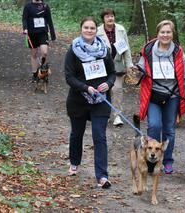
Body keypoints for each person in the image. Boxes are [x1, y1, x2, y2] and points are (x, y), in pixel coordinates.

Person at [136, 20, 185, 174]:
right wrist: (139, 72)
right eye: (162, 32)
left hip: (173, 95)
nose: (165, 35)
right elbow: (139, 68)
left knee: (169, 130)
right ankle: (150, 160)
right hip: (153, 95)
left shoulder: (178, 52)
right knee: (154, 125)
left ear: (172, 34)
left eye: (168, 32)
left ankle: (166, 160)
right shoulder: (148, 50)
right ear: (158, 33)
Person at [64, 16, 116, 188]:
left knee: (99, 136)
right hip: (78, 99)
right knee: (76, 134)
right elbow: (69, 77)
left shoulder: (104, 50)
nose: (89, 30)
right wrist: (86, 88)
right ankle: (74, 163)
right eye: (86, 27)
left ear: (96, 30)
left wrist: (108, 84)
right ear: (81, 29)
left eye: (92, 28)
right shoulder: (73, 50)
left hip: (100, 100)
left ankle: (102, 176)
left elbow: (112, 74)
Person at [97, 8, 133, 127]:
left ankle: (117, 115)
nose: (110, 18)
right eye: (107, 16)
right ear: (103, 19)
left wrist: (129, 65)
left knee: (117, 90)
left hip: (117, 65)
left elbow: (126, 49)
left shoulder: (121, 30)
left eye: (112, 16)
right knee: (104, 89)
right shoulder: (97, 32)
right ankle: (104, 114)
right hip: (102, 66)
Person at [22, 0, 56, 82]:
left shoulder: (45, 6)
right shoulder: (28, 6)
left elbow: (49, 20)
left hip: (43, 32)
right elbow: (24, 19)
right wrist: (25, 28)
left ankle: (43, 71)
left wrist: (52, 34)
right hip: (32, 33)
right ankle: (35, 74)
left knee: (44, 52)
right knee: (34, 53)